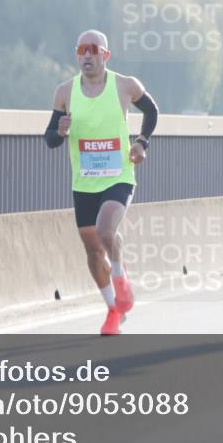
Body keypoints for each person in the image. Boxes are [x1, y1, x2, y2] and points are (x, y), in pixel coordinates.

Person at [44, 29, 159, 335]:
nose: (87, 55)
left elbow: (152, 111)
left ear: (106, 55)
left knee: (107, 229)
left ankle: (121, 281)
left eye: (94, 50)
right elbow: (50, 139)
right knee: (94, 250)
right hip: (84, 182)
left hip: (118, 175)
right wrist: (61, 131)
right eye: (82, 49)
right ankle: (113, 309)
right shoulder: (65, 92)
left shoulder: (125, 85)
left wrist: (141, 143)